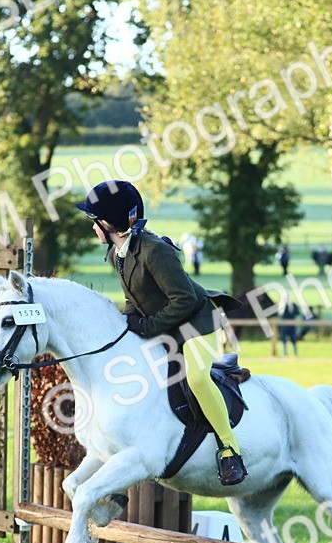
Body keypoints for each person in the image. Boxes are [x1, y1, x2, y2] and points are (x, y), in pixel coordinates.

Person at [77, 180, 247, 485]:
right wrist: (125, 326)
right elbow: (133, 300)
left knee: (196, 377)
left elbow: (186, 300)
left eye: (95, 221)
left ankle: (229, 448)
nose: (93, 228)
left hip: (197, 324)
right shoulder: (119, 253)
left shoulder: (156, 251)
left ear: (111, 223)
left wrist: (148, 327)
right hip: (168, 325)